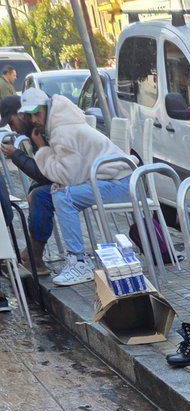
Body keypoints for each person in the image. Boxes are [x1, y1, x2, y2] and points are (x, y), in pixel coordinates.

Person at [20, 86, 130, 287]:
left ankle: (79, 262)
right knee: (47, 194)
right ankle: (43, 255)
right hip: (109, 180)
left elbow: (65, 176)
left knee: (62, 195)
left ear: (47, 107)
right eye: (30, 115)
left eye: (37, 112)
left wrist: (42, 149)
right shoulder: (59, 123)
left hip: (122, 184)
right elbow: (67, 174)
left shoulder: (62, 130)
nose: (34, 119)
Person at [1, 94, 54, 277]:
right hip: (70, 176)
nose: (12, 129)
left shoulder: (42, 129)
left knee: (40, 196)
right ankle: (32, 252)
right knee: (36, 192)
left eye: (12, 122)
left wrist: (16, 155)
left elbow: (46, 172)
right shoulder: (35, 131)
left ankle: (36, 259)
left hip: (87, 177)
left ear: (22, 114)